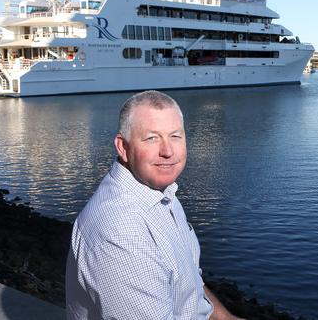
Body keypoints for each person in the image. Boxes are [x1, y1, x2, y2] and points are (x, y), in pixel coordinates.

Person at [66, 90, 241, 319]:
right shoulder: (120, 232)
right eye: (152, 138)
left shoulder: (161, 194)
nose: (167, 151)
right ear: (123, 147)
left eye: (175, 136)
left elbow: (187, 282)